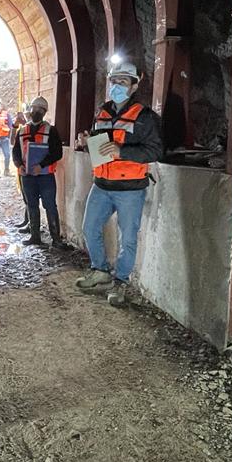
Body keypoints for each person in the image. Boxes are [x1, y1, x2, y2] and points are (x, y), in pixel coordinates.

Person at [76, 59, 163, 307]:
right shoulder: (102, 113)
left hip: (131, 189)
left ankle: (121, 283)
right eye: (114, 81)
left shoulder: (146, 118)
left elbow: (156, 151)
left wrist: (121, 151)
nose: (117, 86)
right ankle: (101, 272)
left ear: (134, 86)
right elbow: (99, 146)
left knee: (128, 239)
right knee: (90, 228)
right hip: (102, 185)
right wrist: (86, 142)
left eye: (123, 82)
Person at [12, 96, 64, 247]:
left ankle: (56, 239)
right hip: (27, 176)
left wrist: (41, 165)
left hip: (45, 176)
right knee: (32, 205)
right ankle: (35, 237)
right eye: (35, 108)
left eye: (41, 109)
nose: (37, 111)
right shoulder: (22, 131)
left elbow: (57, 153)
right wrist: (18, 165)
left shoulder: (51, 130)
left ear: (45, 112)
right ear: (31, 109)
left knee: (50, 206)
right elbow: (16, 151)